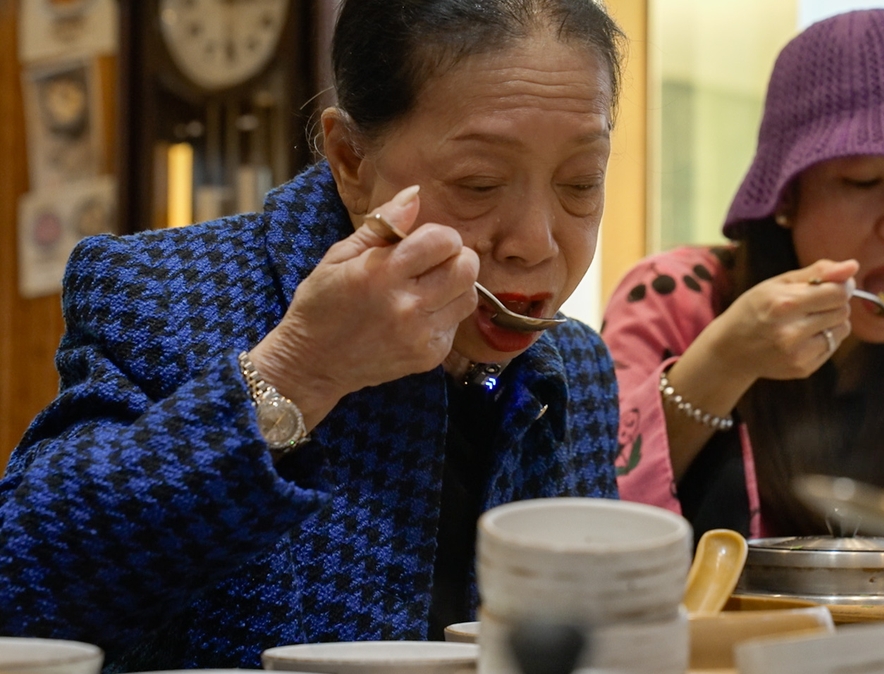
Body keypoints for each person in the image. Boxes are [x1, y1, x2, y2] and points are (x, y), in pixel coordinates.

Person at [0, 0, 623, 669]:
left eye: (580, 183)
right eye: (479, 183)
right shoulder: (161, 293)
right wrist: (300, 370)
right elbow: (20, 593)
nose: (534, 242)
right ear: (351, 159)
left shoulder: (573, 367)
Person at [602, 9, 884, 546]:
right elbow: (588, 526)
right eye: (864, 180)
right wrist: (724, 361)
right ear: (786, 197)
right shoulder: (674, 297)